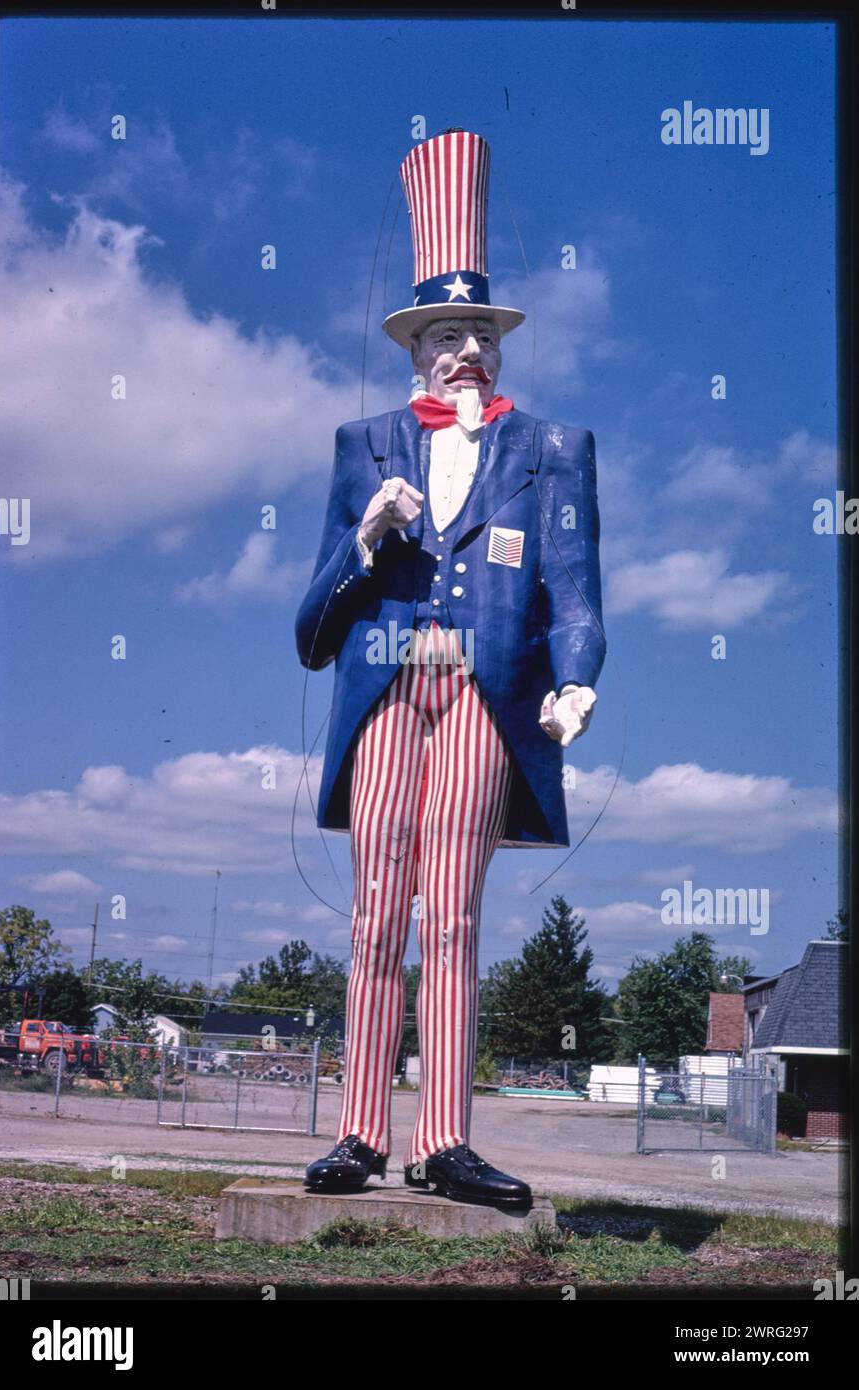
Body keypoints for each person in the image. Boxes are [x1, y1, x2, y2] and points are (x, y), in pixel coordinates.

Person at [296, 130, 605, 1209]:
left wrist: (575, 678)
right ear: (414, 348)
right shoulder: (362, 446)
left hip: (484, 696)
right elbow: (311, 627)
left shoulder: (553, 450)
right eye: (443, 332)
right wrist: (366, 539)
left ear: (499, 348)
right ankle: (359, 1134)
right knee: (378, 909)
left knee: (456, 916)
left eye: (479, 330)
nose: (462, 348)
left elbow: (574, 587)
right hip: (386, 687)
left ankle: (445, 1142)